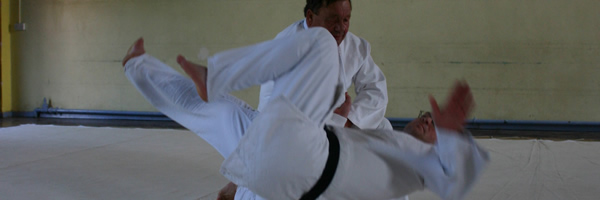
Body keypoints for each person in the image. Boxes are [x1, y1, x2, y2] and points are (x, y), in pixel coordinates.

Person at [123, 28, 488, 199]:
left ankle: (216, 78)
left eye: (432, 129)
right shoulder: (385, 133)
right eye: (426, 117)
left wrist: (453, 138)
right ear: (311, 13)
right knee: (217, 110)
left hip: (302, 161)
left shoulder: (412, 168)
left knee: (321, 47)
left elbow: (453, 176)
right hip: (286, 141)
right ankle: (139, 67)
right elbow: (273, 101)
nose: (342, 25)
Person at [260, 0, 392, 130]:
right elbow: (274, 109)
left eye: (345, 20)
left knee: (383, 127)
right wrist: (335, 121)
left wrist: (348, 121)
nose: (340, 28)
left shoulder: (354, 46)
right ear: (310, 17)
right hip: (296, 128)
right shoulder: (286, 47)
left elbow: (376, 90)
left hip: (341, 123)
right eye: (332, 20)